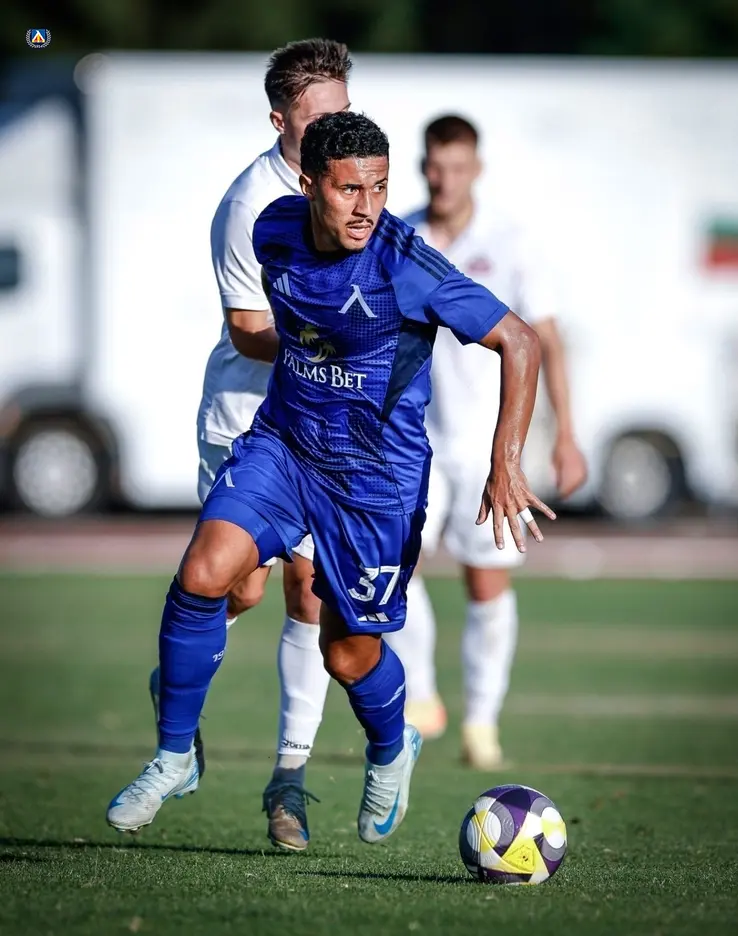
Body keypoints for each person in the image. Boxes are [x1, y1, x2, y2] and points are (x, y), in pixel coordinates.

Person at [106, 110, 555, 847]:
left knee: (346, 653)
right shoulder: (273, 230)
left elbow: (521, 340)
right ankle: (174, 756)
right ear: (310, 184)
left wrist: (505, 462)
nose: (367, 206)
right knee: (203, 573)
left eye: (379, 188)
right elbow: (284, 326)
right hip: (285, 446)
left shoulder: (405, 263)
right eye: (349, 189)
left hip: (375, 481)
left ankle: (391, 746)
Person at [146, 38, 352, 852]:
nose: (335, 129)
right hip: (244, 416)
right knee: (238, 590)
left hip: (316, 426)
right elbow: (246, 328)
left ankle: (288, 784)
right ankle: (174, 686)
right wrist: (332, 346)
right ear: (279, 121)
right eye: (318, 116)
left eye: (343, 112)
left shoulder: (351, 187)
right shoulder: (249, 205)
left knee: (312, 592)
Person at [387, 115, 587, 769]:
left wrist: (566, 435)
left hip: (488, 443)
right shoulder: (402, 236)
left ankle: (481, 722)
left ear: (476, 169)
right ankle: (422, 695)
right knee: (394, 569)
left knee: (486, 583)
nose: (445, 179)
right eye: (435, 166)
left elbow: (543, 339)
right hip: (413, 439)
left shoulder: (512, 241)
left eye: (457, 167)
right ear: (422, 168)